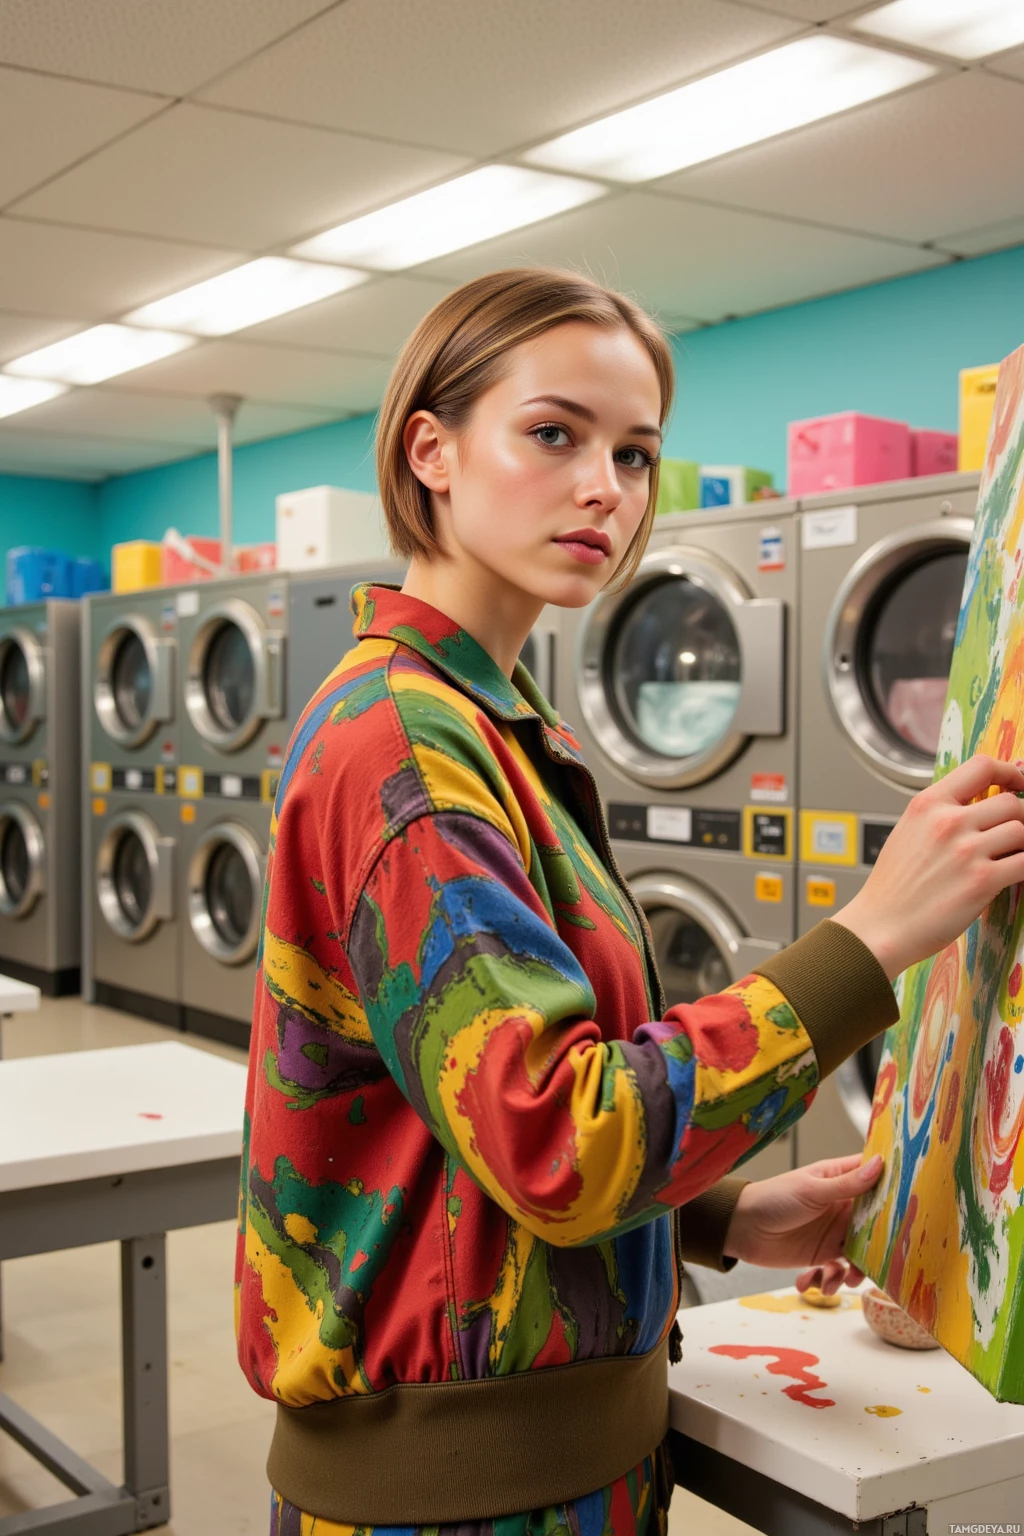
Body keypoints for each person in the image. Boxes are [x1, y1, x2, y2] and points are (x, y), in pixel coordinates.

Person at [236, 268, 1024, 1536]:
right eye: (554, 433)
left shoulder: (497, 730)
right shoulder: (403, 750)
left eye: (637, 452)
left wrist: (718, 1213)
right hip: (459, 1505)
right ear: (430, 450)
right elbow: (560, 1138)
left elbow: (468, 1122)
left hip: (548, 1465)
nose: (607, 486)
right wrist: (872, 938)